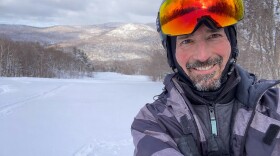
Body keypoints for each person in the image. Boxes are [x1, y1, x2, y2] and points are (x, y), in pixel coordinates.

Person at [131, 0, 280, 155]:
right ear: (172, 53)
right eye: (187, 40)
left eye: (214, 35)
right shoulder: (153, 122)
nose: (203, 56)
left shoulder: (275, 108)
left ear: (232, 42)